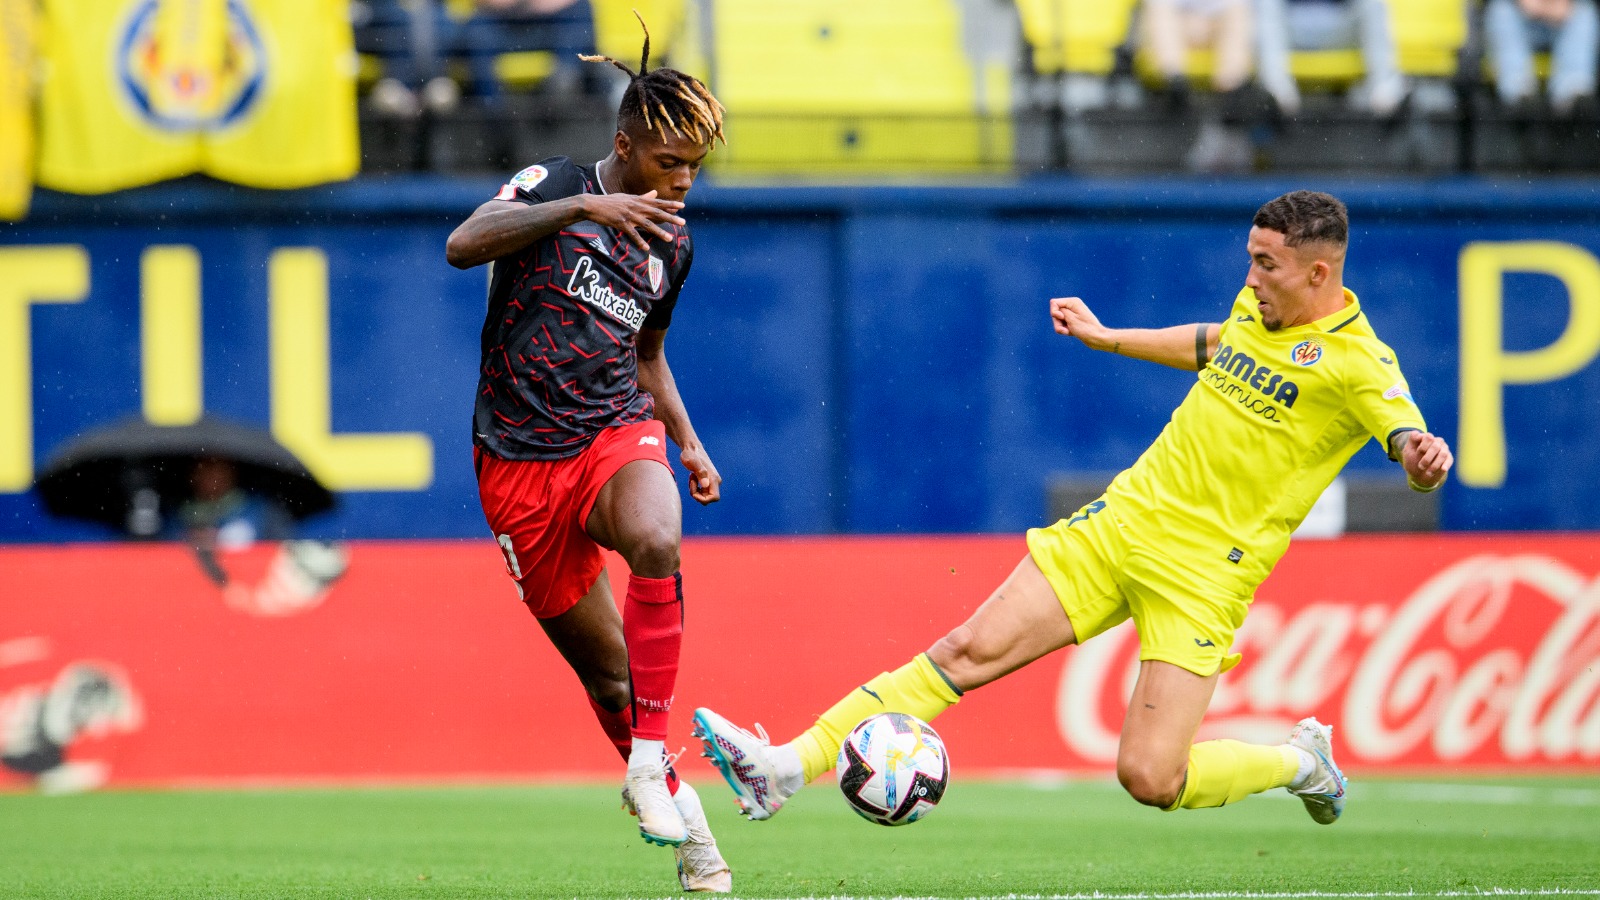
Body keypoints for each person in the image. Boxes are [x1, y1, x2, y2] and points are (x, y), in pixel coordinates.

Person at [693, 191, 1453, 830]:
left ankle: (1299, 762)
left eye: (1267, 264)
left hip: (1204, 577)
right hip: (1123, 522)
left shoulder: (1361, 366)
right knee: (963, 652)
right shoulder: (1259, 310)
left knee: (1152, 776)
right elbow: (1218, 344)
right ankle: (786, 767)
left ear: (1319, 271)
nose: (1250, 276)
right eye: (1250, 258)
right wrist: (1108, 337)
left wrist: (1422, 459)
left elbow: (1408, 440)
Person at [444, 14, 731, 894]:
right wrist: (580, 206)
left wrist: (684, 440)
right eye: (666, 163)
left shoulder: (670, 241)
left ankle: (648, 764)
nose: (681, 182)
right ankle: (688, 823)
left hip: (611, 429)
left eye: (693, 167)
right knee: (610, 677)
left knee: (656, 537)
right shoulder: (556, 183)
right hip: (518, 458)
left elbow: (645, 353)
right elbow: (463, 245)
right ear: (624, 145)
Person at [1484, 0, 1599, 118]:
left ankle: (1573, 91)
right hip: (1520, 19)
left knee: (1585, 12)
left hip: (1564, 20)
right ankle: (1519, 92)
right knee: (1501, 10)